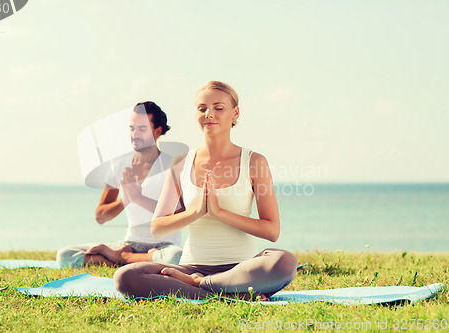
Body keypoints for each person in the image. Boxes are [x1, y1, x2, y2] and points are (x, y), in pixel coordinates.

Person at [114, 82, 297, 299]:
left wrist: (219, 212)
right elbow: (157, 228)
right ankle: (229, 294)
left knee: (285, 262)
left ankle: (202, 286)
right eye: (202, 109)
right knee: (125, 277)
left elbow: (271, 231)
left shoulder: (254, 161)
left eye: (218, 108)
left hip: (241, 269)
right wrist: (196, 212)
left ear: (235, 113)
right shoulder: (182, 162)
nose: (209, 114)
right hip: (190, 266)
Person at [57, 102, 182, 268]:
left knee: (176, 258)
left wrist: (139, 198)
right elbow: (100, 216)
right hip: (130, 244)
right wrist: (126, 200)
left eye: (142, 129)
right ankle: (129, 258)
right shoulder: (119, 165)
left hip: (164, 247)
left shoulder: (172, 165)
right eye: (132, 128)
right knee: (65, 256)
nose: (135, 134)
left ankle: (120, 259)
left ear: (157, 132)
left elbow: (179, 215)